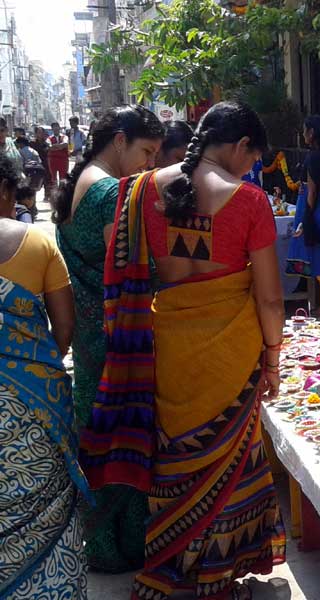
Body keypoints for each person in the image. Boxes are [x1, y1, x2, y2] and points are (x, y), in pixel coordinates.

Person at [79, 100, 286, 600]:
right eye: (251, 157)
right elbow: (270, 296)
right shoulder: (250, 201)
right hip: (229, 355)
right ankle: (214, 578)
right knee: (224, 461)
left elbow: (125, 268)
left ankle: (172, 564)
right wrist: (274, 359)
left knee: (174, 456)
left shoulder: (137, 193)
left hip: (166, 347)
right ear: (239, 147)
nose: (250, 167)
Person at [53, 105, 165, 573]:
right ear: (119, 140)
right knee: (126, 438)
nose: (149, 164)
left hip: (92, 334)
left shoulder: (83, 182)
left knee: (99, 437)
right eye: (145, 151)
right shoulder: (106, 192)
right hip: (115, 339)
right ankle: (123, 546)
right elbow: (128, 270)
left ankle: (102, 544)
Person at [0, 154, 90, 598]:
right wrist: (31, 367)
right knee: (50, 504)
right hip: (36, 404)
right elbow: (65, 326)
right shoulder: (37, 243)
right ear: (6, 189)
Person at [286, 115, 320, 316]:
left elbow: (313, 190)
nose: (303, 133)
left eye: (305, 129)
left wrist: (307, 217)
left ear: (312, 132)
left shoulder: (314, 157)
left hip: (315, 211)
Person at [30, 125, 51, 197]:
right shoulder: (32, 143)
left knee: (47, 182)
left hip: (45, 165)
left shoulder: (47, 143)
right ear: (35, 134)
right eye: (39, 132)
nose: (41, 134)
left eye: (42, 132)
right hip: (35, 166)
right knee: (34, 184)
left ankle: (47, 197)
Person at [47, 121, 69, 186]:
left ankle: (62, 193)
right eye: (54, 127)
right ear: (52, 129)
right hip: (52, 160)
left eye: (57, 127)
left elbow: (65, 144)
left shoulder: (65, 137)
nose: (56, 128)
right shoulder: (49, 138)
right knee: (53, 179)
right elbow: (50, 147)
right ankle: (55, 194)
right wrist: (60, 147)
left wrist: (55, 147)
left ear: (59, 128)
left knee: (63, 178)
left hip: (63, 160)